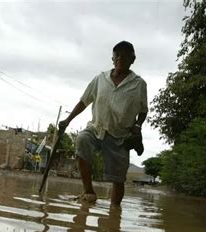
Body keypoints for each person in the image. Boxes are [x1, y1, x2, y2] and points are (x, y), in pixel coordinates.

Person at [59, 41, 148, 206]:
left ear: (133, 59)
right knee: (82, 140)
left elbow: (143, 110)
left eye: (125, 55)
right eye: (117, 55)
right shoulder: (100, 79)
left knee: (118, 179)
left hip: (120, 135)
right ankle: (89, 191)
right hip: (97, 128)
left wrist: (138, 126)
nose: (120, 58)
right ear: (113, 58)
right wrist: (67, 119)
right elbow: (84, 101)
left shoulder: (139, 84)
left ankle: (114, 211)